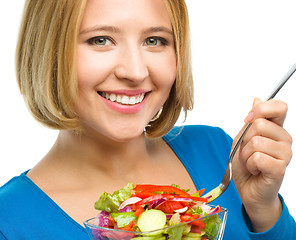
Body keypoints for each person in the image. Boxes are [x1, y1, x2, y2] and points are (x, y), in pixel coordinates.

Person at [0, 0, 295, 239]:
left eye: (154, 40)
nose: (136, 71)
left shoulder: (220, 154)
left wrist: (263, 211)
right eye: (100, 40)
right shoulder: (9, 220)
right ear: (48, 51)